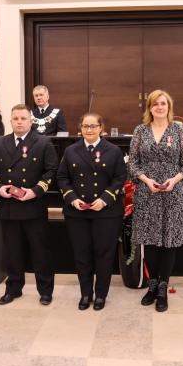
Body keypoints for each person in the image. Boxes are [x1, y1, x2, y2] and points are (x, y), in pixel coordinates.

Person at [0, 104, 58, 306]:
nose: (19, 122)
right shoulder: (0, 143)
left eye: (23, 118)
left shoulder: (43, 142)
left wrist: (35, 191)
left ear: (30, 121)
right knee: (12, 252)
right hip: (9, 207)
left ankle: (45, 291)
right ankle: (13, 289)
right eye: (15, 118)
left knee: (40, 252)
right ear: (10, 121)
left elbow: (51, 171)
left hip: (34, 206)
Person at [128, 89, 183, 312]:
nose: (159, 107)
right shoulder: (140, 130)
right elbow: (133, 163)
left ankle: (163, 287)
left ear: (169, 106)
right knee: (150, 240)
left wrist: (174, 180)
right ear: (149, 107)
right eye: (155, 104)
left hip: (172, 193)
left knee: (169, 240)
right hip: (147, 193)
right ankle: (152, 285)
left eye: (163, 103)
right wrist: (146, 180)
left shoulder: (178, 130)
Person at [57, 113, 127, 311]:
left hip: (106, 212)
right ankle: (85, 293)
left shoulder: (113, 150)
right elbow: (62, 178)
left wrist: (104, 199)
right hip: (77, 212)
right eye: (85, 126)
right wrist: (72, 198)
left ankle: (101, 294)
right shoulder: (71, 150)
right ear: (80, 128)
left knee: (104, 255)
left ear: (101, 128)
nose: (89, 130)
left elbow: (120, 178)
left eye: (93, 126)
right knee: (82, 254)